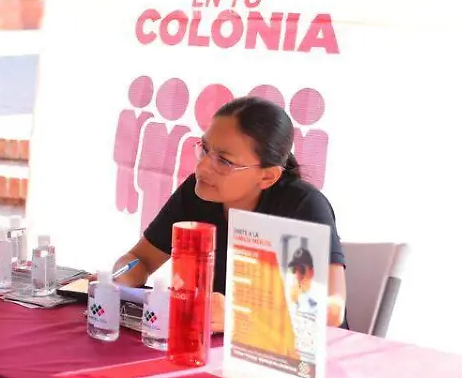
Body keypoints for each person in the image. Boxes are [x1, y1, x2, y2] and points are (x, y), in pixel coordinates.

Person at [114, 95, 347, 328]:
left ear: (267, 176)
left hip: (300, 355)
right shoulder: (196, 193)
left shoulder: (302, 205)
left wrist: (238, 316)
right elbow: (139, 260)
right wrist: (118, 279)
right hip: (216, 347)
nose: (202, 166)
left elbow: (331, 310)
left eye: (224, 161)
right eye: (204, 149)